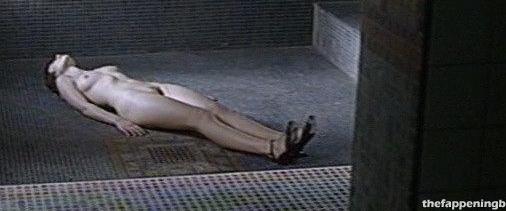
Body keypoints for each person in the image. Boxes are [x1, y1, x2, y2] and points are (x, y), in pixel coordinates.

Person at [44, 54, 314, 164]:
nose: (59, 56)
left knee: (216, 108)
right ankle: (270, 149)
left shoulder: (95, 70)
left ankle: (281, 137)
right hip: (132, 102)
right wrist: (117, 121)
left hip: (154, 88)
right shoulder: (64, 80)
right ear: (53, 72)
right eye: (54, 60)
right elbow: (84, 107)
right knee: (201, 119)